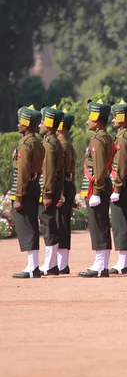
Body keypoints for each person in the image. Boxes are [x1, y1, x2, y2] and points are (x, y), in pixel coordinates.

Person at [78, 100, 115, 278]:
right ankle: (101, 263)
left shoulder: (98, 140)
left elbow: (99, 168)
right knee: (100, 224)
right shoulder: (105, 137)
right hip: (100, 185)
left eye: (90, 118)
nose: (87, 121)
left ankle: (101, 265)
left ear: (97, 119)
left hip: (97, 186)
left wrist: (97, 191)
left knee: (98, 225)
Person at [11, 105, 44, 278]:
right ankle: (33, 265)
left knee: (27, 226)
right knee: (31, 224)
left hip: (25, 187)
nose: (18, 124)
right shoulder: (37, 142)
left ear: (27, 123)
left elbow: (22, 172)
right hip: (33, 185)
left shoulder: (25, 144)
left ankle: (32, 267)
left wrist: (18, 196)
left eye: (20, 121)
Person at [109, 100, 127, 274]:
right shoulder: (124, 135)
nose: (112, 121)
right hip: (123, 181)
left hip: (122, 183)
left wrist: (117, 188)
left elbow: (121, 164)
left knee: (121, 222)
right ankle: (125, 260)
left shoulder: (124, 138)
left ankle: (125, 262)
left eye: (115, 117)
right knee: (121, 222)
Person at [38, 105, 64, 276]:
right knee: (50, 224)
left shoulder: (48, 144)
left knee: (48, 225)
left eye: (42, 122)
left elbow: (48, 171)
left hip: (47, 190)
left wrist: (46, 193)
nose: (39, 125)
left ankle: (50, 264)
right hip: (53, 188)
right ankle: (51, 263)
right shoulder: (55, 142)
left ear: (48, 124)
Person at [55, 109, 77, 274]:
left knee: (60, 225)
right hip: (69, 184)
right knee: (64, 225)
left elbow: (60, 170)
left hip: (62, 185)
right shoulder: (68, 144)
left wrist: (60, 192)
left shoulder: (61, 144)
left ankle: (61, 264)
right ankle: (63, 263)